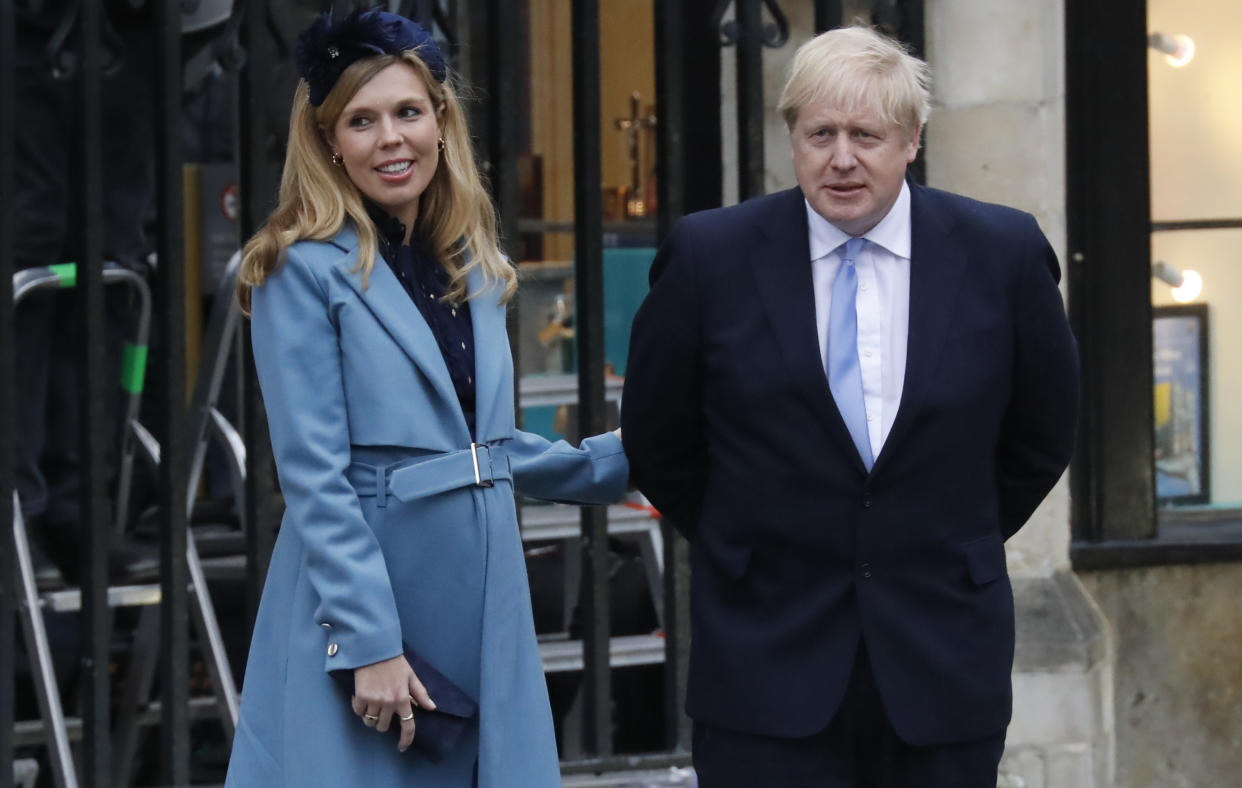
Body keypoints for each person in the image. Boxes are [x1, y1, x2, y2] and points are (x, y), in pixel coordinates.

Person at [621, 26, 1079, 788]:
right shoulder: (710, 257)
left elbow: (1042, 434)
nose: (841, 158)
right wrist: (752, 538)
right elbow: (660, 440)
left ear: (912, 140)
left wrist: (937, 531)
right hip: (766, 661)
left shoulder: (1002, 254)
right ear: (791, 137)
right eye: (820, 133)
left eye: (866, 135)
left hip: (941, 666)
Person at [223, 10, 629, 787]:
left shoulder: (470, 263)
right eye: (362, 121)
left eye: (408, 112)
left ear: (441, 122)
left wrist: (621, 461)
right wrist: (368, 639)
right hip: (371, 597)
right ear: (328, 141)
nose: (390, 139)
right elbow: (313, 475)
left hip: (485, 599)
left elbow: (487, 446)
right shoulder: (295, 269)